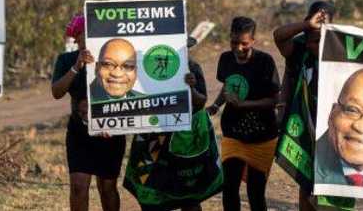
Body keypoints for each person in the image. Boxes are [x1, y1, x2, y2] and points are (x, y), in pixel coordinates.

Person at [123, 38, 221, 211]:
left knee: (189, 196)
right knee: (152, 192)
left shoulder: (192, 68)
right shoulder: (145, 68)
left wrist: (190, 88)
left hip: (185, 139)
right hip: (154, 136)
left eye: (183, 49)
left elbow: (200, 102)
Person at [52, 14, 126, 211]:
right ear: (77, 37)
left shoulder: (114, 59)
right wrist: (76, 67)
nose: (90, 37)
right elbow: (57, 92)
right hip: (80, 134)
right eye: (85, 33)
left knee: (107, 187)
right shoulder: (66, 60)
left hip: (110, 132)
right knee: (78, 186)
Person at [208, 16, 281, 211]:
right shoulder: (225, 59)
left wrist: (245, 104)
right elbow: (228, 86)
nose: (238, 48)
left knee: (255, 192)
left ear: (253, 41)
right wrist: (216, 105)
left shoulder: (265, 61)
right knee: (229, 187)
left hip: (262, 135)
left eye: (244, 44)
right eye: (234, 42)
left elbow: (275, 99)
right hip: (233, 132)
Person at [274, 1, 334, 210]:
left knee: (334, 184)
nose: (315, 45)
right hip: (306, 121)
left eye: (320, 39)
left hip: (334, 126)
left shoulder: (342, 46)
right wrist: (307, 25)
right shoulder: (300, 46)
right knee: (306, 181)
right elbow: (279, 36)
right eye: (312, 39)